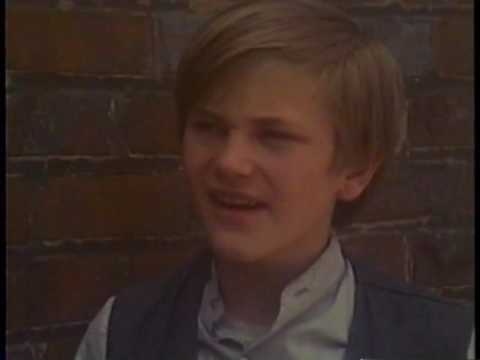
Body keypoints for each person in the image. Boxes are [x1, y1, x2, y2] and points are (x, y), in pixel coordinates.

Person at [75, 0, 474, 359]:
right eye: (209, 127)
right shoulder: (121, 336)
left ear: (355, 170)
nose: (230, 163)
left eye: (273, 136)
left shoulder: (444, 344)